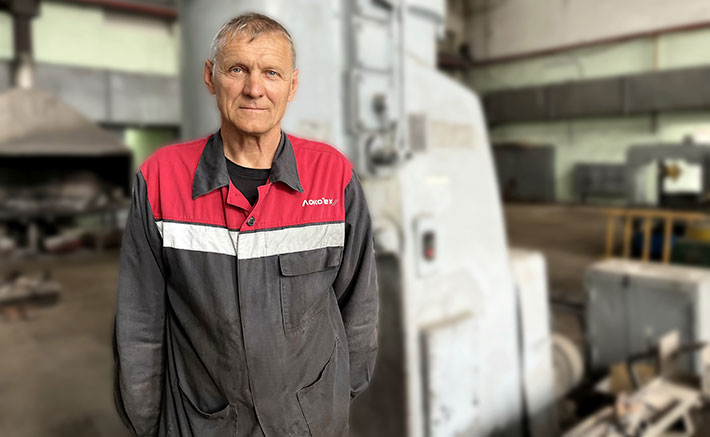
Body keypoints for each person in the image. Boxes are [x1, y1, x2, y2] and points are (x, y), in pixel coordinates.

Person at [113, 13, 378, 437]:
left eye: (271, 73)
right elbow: (139, 319)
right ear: (210, 76)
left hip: (312, 422)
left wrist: (336, 397)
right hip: (202, 423)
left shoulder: (333, 176)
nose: (255, 88)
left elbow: (359, 304)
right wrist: (148, 421)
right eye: (237, 69)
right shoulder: (162, 180)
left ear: (292, 85)